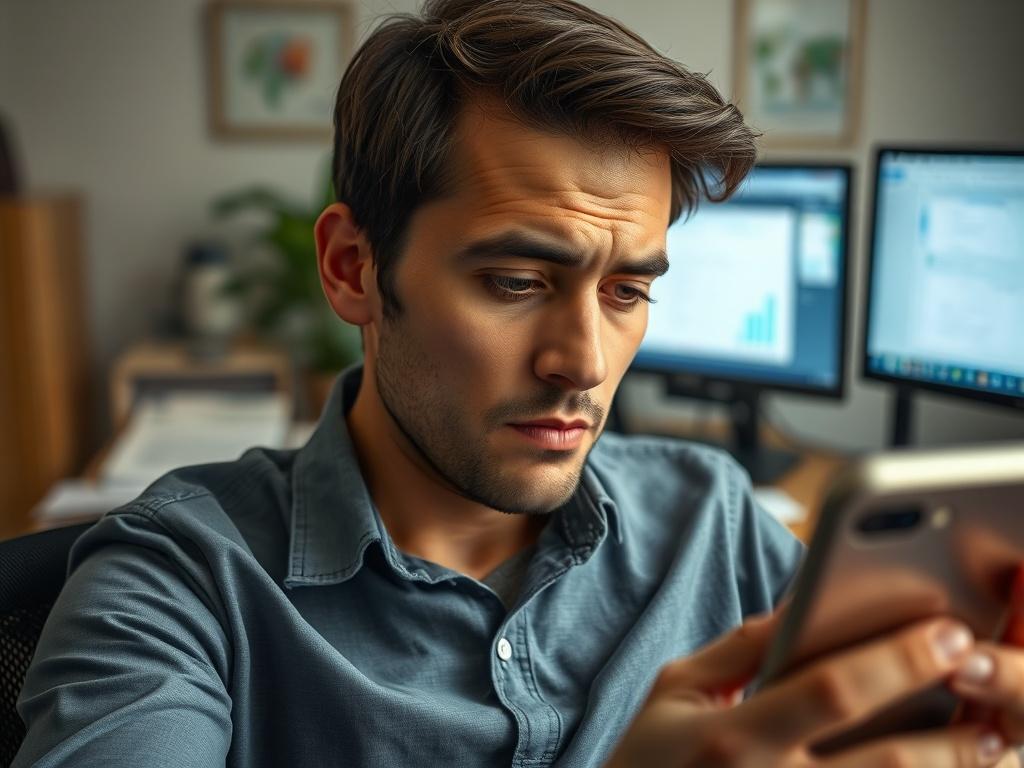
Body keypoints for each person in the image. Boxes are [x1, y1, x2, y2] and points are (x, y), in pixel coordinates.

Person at [13, 1, 1024, 766]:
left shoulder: (710, 520)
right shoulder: (177, 577)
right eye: (515, 282)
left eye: (627, 290)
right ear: (353, 271)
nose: (583, 361)